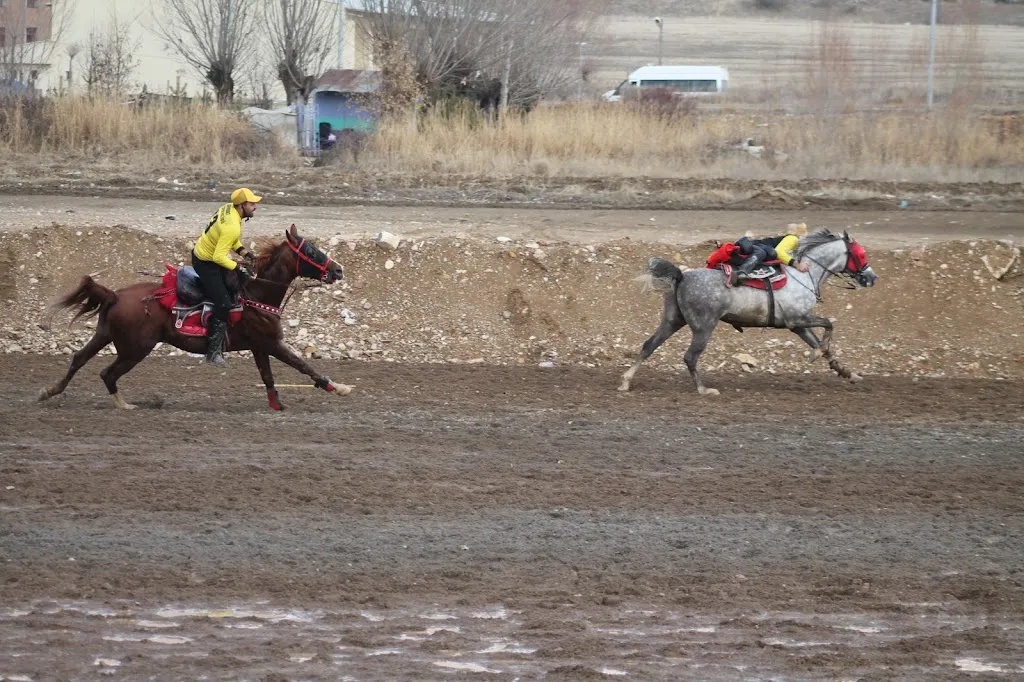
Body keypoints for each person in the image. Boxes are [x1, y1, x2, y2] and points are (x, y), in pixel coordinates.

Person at [191, 188, 261, 367]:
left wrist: (247, 254)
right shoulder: (232, 225)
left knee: (233, 288)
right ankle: (213, 352)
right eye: (252, 204)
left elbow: (230, 240)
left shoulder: (230, 210)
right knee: (223, 303)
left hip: (206, 253)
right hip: (206, 263)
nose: (255, 207)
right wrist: (239, 268)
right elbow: (218, 257)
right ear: (241, 205)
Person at [723, 222, 810, 287]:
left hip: (755, 246)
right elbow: (779, 252)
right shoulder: (793, 238)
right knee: (769, 253)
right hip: (754, 247)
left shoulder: (793, 241)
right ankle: (741, 273)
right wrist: (796, 264)